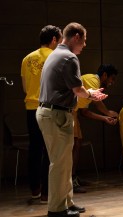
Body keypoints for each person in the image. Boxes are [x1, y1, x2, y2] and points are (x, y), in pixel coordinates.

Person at [36, 22, 108, 217]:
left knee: (64, 162)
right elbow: (78, 90)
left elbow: (71, 88)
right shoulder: (69, 57)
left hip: (52, 112)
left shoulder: (56, 54)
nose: (84, 45)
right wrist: (91, 95)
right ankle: (57, 209)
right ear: (76, 37)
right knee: (59, 163)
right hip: (56, 114)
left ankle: (66, 203)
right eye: (83, 41)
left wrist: (89, 92)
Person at [21, 25, 62, 203]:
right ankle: (47, 194)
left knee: (34, 150)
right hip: (47, 108)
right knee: (49, 151)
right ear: (53, 40)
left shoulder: (27, 59)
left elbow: (24, 87)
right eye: (59, 40)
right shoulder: (55, 57)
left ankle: (35, 190)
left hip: (30, 108)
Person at [72, 64, 119, 193]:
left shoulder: (90, 82)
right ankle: (70, 180)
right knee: (74, 145)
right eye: (112, 78)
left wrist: (105, 119)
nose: (112, 82)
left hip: (74, 113)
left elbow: (85, 112)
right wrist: (108, 113)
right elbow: (97, 102)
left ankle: (73, 176)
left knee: (77, 144)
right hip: (68, 112)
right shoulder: (94, 80)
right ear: (104, 75)